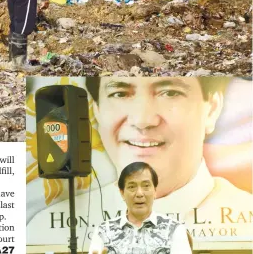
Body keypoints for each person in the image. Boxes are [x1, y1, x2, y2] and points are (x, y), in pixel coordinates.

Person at [27, 77, 252, 244]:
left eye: (170, 92)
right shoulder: (45, 229)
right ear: (97, 111)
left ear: (211, 109)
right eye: (120, 94)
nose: (143, 120)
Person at [88, 162, 192, 254]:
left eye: (146, 186)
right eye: (132, 187)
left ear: (155, 191)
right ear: (122, 193)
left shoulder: (174, 230)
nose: (139, 193)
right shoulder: (103, 231)